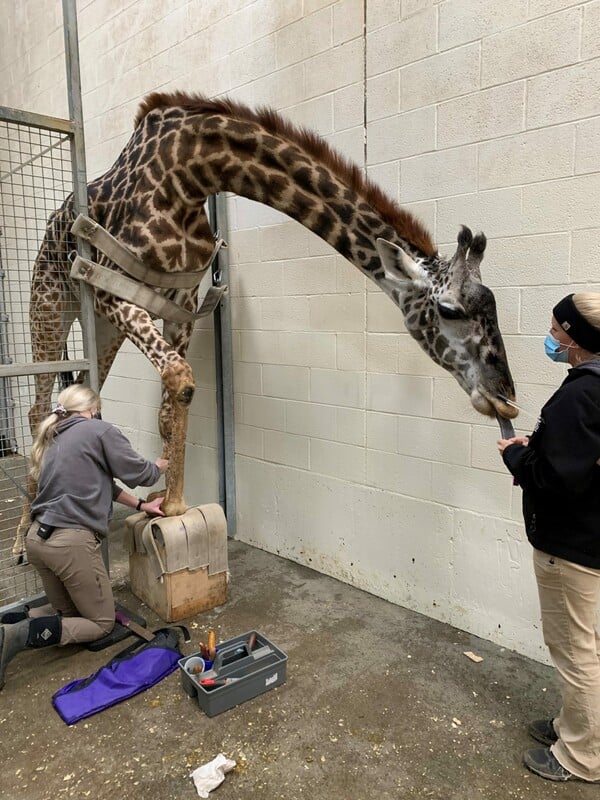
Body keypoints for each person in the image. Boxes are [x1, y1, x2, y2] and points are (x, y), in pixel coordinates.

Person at [0, 384, 168, 690]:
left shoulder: (55, 437)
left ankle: (13, 620)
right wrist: (157, 469)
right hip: (70, 544)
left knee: (69, 613)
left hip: (38, 540)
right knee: (101, 624)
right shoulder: (99, 431)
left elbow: (105, 485)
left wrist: (143, 505)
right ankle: (19, 635)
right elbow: (136, 473)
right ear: (92, 409)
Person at [497, 292, 600, 784]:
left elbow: (557, 480)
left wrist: (517, 458)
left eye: (559, 331)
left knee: (575, 651)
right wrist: (536, 445)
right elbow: (578, 458)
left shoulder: (583, 393)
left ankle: (582, 757)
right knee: (586, 646)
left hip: (571, 545)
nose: (552, 338)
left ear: (578, 339)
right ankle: (573, 728)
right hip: (589, 538)